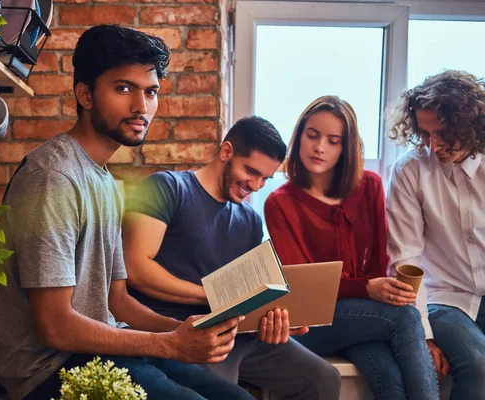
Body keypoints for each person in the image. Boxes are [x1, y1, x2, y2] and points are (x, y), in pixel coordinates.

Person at [0, 25, 255, 400]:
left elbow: (116, 300)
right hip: (50, 369)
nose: (141, 107)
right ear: (85, 94)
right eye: (123, 88)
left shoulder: (107, 183)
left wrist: (181, 331)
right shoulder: (53, 177)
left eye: (151, 92)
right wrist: (170, 346)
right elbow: (54, 326)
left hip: (102, 350)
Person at [123, 116, 341, 400]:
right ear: (226, 152)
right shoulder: (168, 188)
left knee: (323, 380)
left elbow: (249, 293)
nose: (256, 185)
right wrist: (213, 298)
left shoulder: (250, 219)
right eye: (251, 171)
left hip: (239, 332)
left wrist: (274, 319)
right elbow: (136, 269)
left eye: (265, 178)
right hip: (184, 330)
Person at [264, 96, 439, 400]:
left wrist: (373, 289)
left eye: (333, 141)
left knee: (390, 380)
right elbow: (306, 284)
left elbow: (380, 260)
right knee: (407, 318)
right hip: (312, 322)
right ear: (299, 135)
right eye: (312, 135)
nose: (320, 147)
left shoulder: (370, 186)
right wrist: (366, 289)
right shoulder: (279, 203)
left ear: (345, 148)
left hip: (361, 315)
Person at [387, 70, 485, 400]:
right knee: (478, 363)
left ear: (470, 124)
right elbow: (405, 259)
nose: (434, 146)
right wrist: (423, 336)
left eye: (442, 133)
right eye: (425, 133)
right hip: (444, 298)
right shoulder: (410, 171)